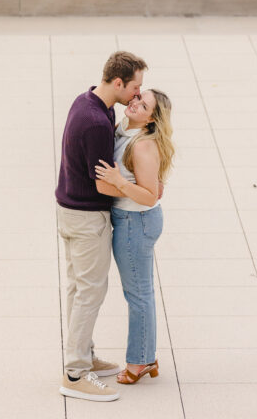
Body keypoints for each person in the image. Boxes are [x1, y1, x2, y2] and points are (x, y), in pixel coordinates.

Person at [56, 50, 148, 402]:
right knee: (90, 293)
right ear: (118, 82)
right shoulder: (97, 122)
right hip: (86, 217)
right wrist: (140, 192)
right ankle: (75, 372)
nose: (138, 95)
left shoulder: (89, 101)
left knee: (78, 290)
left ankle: (82, 355)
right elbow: (101, 183)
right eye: (135, 87)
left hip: (69, 210)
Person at [95, 89, 175, 386]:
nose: (134, 103)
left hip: (135, 222)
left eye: (143, 105)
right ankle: (146, 356)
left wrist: (116, 183)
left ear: (152, 118)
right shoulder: (123, 129)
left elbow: (149, 196)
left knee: (138, 295)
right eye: (137, 97)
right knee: (141, 293)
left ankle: (139, 361)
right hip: (130, 219)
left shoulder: (142, 145)